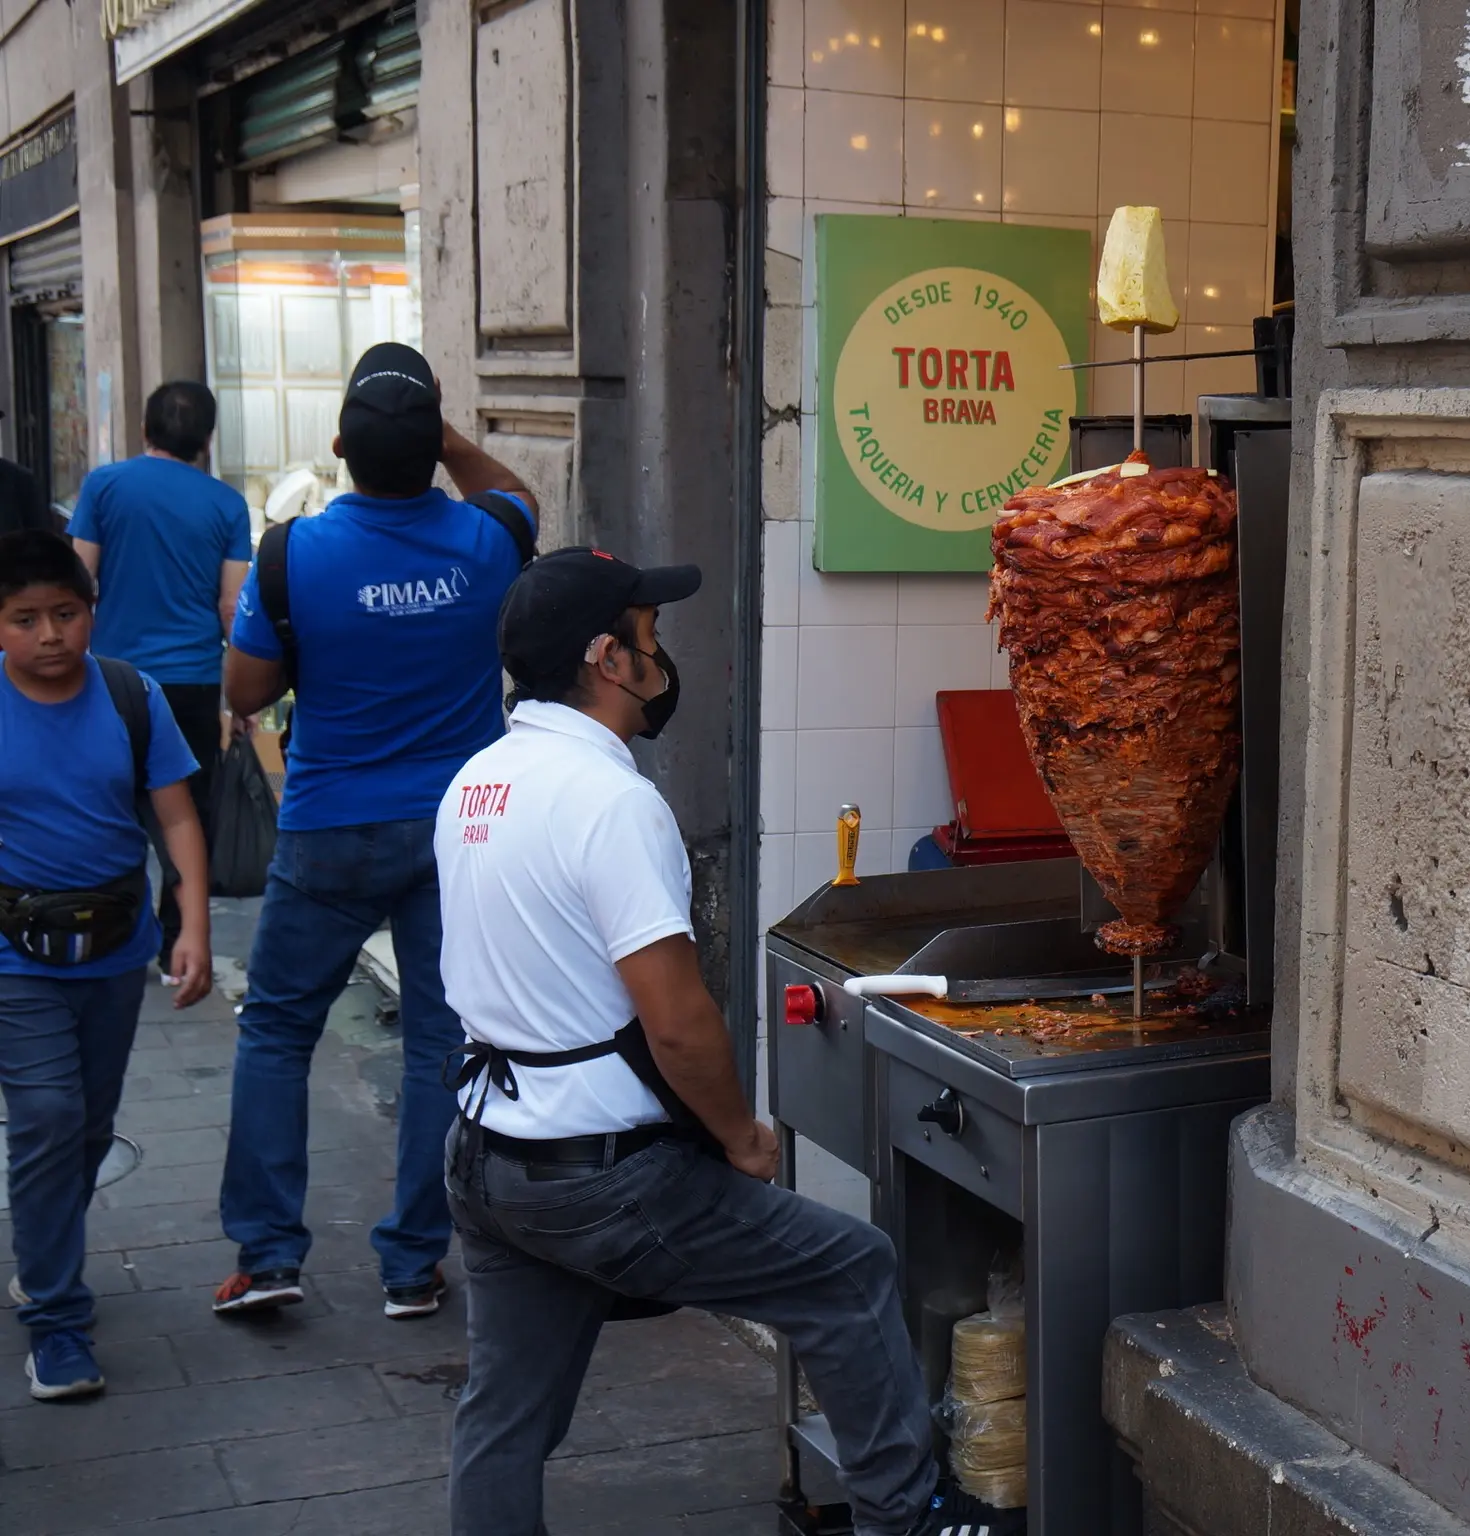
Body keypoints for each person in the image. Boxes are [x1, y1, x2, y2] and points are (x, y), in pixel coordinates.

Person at [435, 548, 1010, 1536]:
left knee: (505, 1416)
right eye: (650, 637)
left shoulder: (478, 785)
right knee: (846, 1270)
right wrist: (741, 1133)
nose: (664, 657)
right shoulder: (612, 803)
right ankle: (904, 1518)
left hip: (490, 1160)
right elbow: (677, 1017)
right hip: (601, 1179)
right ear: (607, 658)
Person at [214, 342, 536, 1321]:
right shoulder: (488, 542)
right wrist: (445, 438)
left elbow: (246, 691)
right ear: (432, 442)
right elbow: (515, 488)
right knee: (441, 1041)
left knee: (276, 1029)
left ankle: (268, 1253)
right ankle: (410, 1264)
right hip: (457, 830)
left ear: (341, 446)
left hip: (329, 829)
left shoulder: (292, 555)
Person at [0, 530, 212, 1401]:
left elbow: (178, 821)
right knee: (48, 1116)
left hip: (116, 952)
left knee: (86, 1128)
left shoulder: (132, 696)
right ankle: (57, 1321)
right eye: (24, 619)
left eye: (64, 613)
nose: (48, 634)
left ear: (91, 614)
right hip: (15, 958)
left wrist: (190, 924)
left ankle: (41, 1246)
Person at [66, 382, 253, 957]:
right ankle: (177, 937)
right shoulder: (226, 504)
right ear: (207, 439)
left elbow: (78, 578)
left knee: (103, 803)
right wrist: (238, 700)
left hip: (111, 677)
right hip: (192, 679)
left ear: (145, 430)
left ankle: (105, 925)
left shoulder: (103, 486)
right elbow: (232, 606)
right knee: (185, 811)